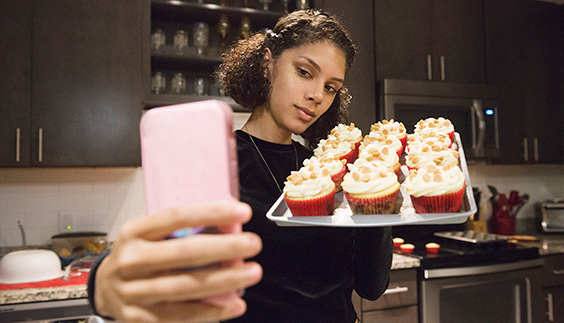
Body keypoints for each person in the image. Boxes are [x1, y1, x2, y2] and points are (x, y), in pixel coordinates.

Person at [88, 9, 392, 323]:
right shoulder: (219, 164)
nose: (316, 95)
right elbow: (162, 254)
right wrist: (103, 283)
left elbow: (371, 286)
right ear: (267, 64)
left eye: (331, 87)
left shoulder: (325, 168)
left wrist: (379, 190)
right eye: (304, 71)